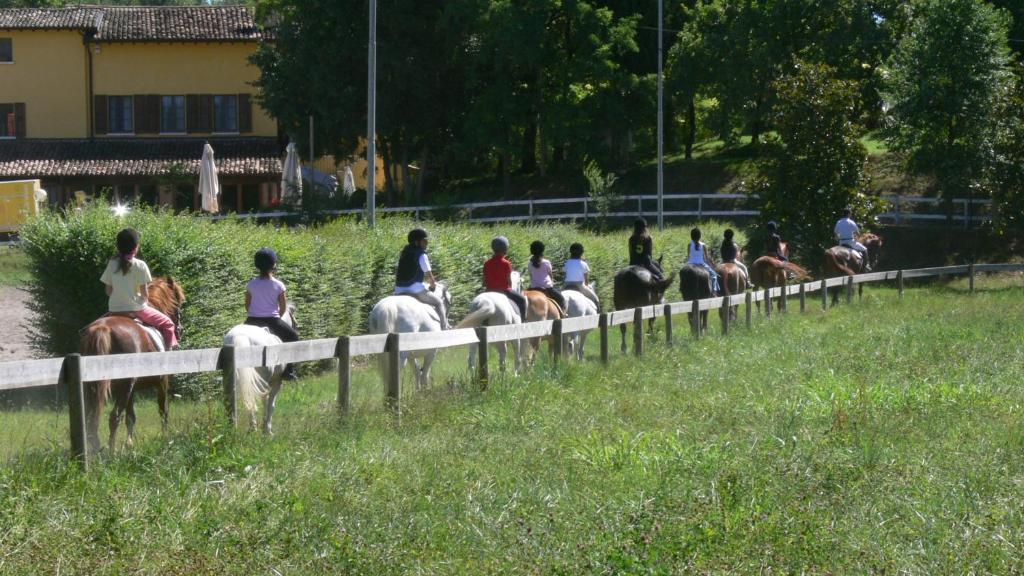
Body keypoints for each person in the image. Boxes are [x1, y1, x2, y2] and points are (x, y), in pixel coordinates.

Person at [100, 228, 178, 350]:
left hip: (114, 309)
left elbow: (108, 291)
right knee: (168, 324)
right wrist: (141, 301)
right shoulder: (141, 265)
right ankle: (168, 357)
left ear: (118, 247)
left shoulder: (112, 264)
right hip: (137, 309)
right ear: (136, 247)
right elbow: (145, 294)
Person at [245, 247, 300, 380]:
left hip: (252, 320)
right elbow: (282, 308)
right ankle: (289, 371)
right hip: (272, 321)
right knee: (293, 336)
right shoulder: (279, 285)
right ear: (273, 265)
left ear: (257, 265)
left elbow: (247, 306)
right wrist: (275, 317)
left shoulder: (251, 284)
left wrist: (255, 314)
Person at [394, 228, 449, 329]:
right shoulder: (421, 254)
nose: (427, 243)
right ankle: (444, 329)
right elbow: (429, 274)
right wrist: (432, 285)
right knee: (439, 302)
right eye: (424, 241)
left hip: (398, 290)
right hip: (416, 290)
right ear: (416, 242)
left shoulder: (403, 252)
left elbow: (396, 272)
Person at [483, 236, 528, 320]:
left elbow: (484, 281)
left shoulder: (487, 263)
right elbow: (509, 281)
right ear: (505, 248)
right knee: (522, 300)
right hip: (504, 291)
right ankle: (523, 323)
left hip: (489, 291)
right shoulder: (506, 263)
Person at [526, 240, 566, 312]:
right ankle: (563, 314)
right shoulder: (546, 262)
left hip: (534, 287)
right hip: (547, 287)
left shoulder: (530, 264)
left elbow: (531, 276)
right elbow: (550, 275)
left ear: (532, 251)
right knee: (561, 299)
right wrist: (552, 283)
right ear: (542, 250)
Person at [563, 242, 600, 308]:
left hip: (567, 284)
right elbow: (586, 278)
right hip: (579, 285)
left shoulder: (567, 263)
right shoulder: (583, 264)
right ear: (581, 253)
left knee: (558, 298)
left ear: (571, 252)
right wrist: (587, 285)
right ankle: (598, 311)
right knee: (596, 299)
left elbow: (565, 274)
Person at [687, 228, 720, 293]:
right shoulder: (703, 245)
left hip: (690, 263)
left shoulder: (689, 245)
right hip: (701, 264)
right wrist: (710, 265)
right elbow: (707, 258)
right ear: (700, 236)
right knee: (714, 275)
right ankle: (714, 292)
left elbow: (689, 256)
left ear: (691, 236)